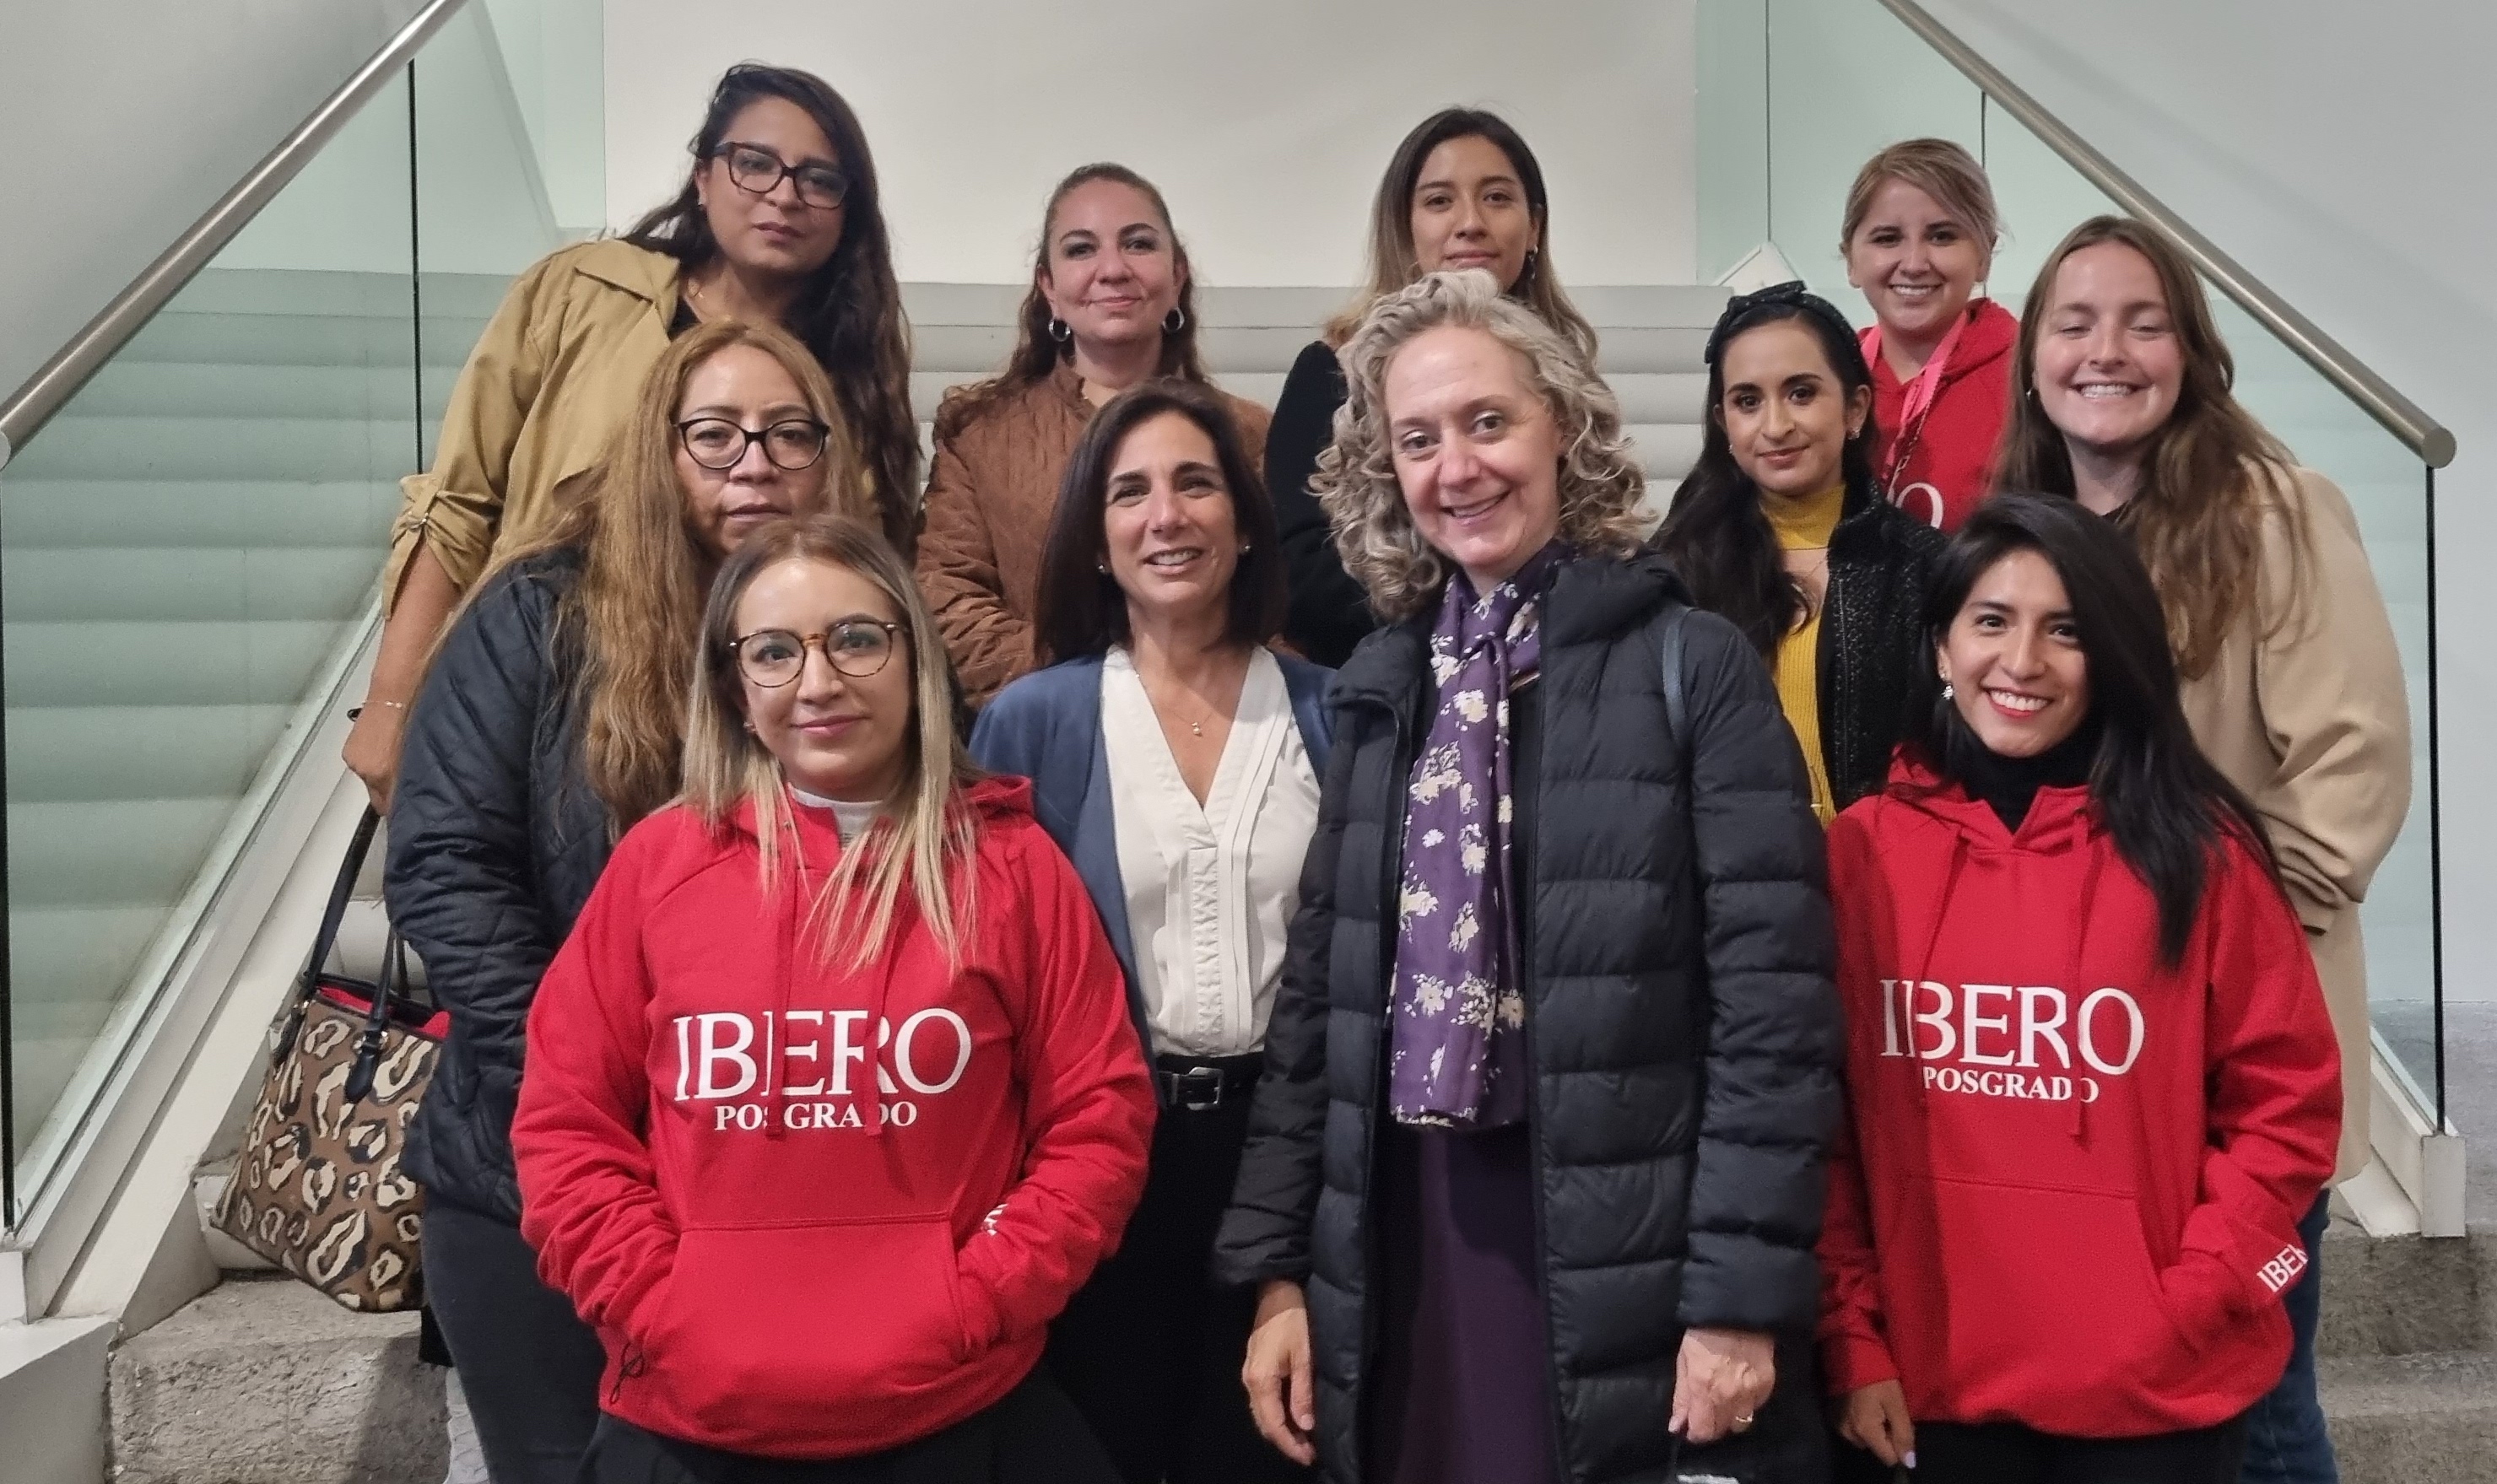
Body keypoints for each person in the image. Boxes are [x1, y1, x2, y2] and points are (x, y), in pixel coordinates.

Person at [1215, 270, 1840, 1484]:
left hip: (1624, 1249)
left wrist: (1734, 1298)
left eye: (1487, 421)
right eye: (1418, 437)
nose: (1457, 466)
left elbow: (1776, 1012)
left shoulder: (1690, 663)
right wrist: (1282, 1271)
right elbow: (1317, 1012)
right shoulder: (1383, 685)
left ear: (1563, 425)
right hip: (1409, 1237)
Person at [511, 514, 1155, 1482]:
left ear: (912, 655)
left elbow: (1098, 1121)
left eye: (855, 638)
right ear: (732, 686)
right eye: (774, 651)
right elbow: (566, 1125)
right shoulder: (659, 864)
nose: (818, 682)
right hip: (689, 1426)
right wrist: (659, 1303)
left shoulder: (1012, 865)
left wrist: (974, 1301)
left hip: (958, 1415)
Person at [386, 320, 866, 1484]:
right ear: (660, 450)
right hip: (539, 1189)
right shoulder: (536, 616)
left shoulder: (861, 634)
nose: (753, 461)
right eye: (714, 433)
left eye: (787, 432)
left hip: (773, 1183)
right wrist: (600, 1083)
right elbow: (444, 864)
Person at [1999, 216, 2411, 1484]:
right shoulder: (2022, 525)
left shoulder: (2271, 508)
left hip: (2236, 1073)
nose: (2104, 351)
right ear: (2030, 356)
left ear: (2190, 348)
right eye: (2072, 323)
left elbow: (2350, 767)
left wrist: (2215, 956)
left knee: (2259, 1411)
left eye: (2141, 321)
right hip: (2084, 1060)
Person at [1819, 492, 2343, 1484]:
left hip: (2154, 1400)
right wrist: (1849, 1335)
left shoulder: (2201, 853)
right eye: (1990, 621)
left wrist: (2199, 1294)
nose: (2020, 662)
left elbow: (2290, 1108)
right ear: (1938, 647)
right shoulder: (1861, 854)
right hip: (1926, 1396)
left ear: (2111, 654)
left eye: (2065, 630)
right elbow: (1822, 1126)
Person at [348, 62, 913, 807]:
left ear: (847, 211)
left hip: (741, 736)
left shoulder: (854, 384)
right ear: (704, 175)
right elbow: (458, 501)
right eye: (754, 164)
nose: (783, 194)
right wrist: (390, 704)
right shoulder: (582, 290)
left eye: (819, 179)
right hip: (541, 690)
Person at [972, 380, 1327, 1484]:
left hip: (1285, 1155)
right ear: (1092, 535)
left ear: (1242, 517)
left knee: (1269, 1454)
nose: (1164, 515)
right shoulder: (1031, 720)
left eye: (1194, 483)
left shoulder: (1335, 711)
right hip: (1100, 1162)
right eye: (1129, 491)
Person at [918, 164, 1273, 706]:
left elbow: (1286, 604)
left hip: (1225, 723)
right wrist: (1106, 681)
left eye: (1138, 244)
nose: (1113, 269)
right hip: (1042, 742)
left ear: (1177, 275)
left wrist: (1203, 681)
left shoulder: (1251, 435)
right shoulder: (980, 436)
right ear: (1049, 288)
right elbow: (946, 604)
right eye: (1081, 249)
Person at [1267, 108, 1600, 666]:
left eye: (1496, 197)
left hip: (1566, 667)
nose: (1470, 222)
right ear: (1404, 227)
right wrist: (1460, 625)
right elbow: (1302, 573)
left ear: (1534, 226)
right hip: (1394, 680)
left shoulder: (1568, 375)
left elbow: (1594, 531)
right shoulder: (1332, 372)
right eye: (1439, 201)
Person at [1652, 282, 1943, 823]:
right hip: (1724, 888)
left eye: (1802, 393)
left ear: (1855, 408)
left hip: (1879, 886)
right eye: (1747, 401)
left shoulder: (1922, 566)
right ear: (1724, 424)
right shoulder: (1674, 570)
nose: (1776, 426)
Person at [1840, 138, 2017, 532]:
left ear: (1984, 255)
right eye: (1887, 238)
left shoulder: (2027, 377)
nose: (1915, 263)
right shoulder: (1826, 375)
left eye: (1942, 236)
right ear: (1851, 259)